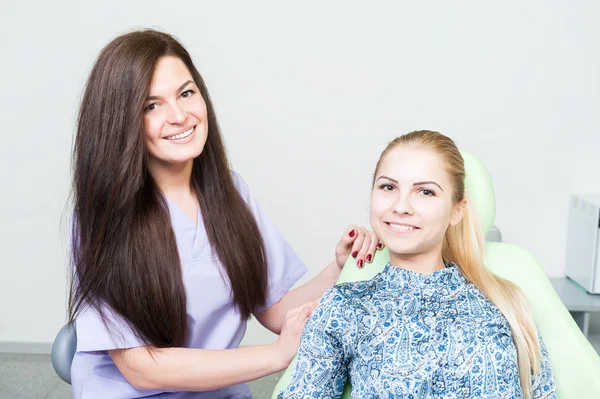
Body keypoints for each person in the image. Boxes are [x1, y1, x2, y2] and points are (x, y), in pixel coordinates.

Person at [68, 29, 382, 398]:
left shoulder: (229, 191)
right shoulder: (102, 217)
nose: (180, 116)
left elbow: (277, 312)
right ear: (120, 122)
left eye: (186, 93)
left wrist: (340, 267)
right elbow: (141, 368)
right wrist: (273, 357)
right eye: (151, 106)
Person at [277, 130, 556, 398]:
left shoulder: (506, 303)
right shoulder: (344, 307)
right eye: (388, 187)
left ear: (457, 211)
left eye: (425, 192)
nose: (401, 206)